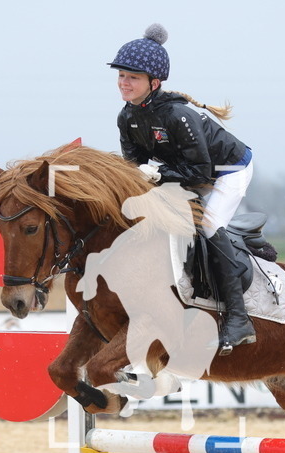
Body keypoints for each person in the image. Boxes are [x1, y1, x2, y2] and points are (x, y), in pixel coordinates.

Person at [108, 23, 256, 356]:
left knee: (207, 225)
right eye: (121, 75)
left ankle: (238, 318)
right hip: (186, 172)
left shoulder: (178, 115)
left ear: (154, 83)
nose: (123, 83)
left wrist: (158, 177)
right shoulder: (126, 118)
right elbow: (135, 171)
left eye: (131, 77)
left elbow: (201, 174)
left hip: (227, 171)